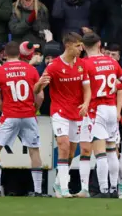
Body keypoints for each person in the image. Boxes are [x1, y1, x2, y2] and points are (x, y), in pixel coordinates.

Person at [0, 42, 45, 197]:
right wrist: (32, 109)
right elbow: (40, 95)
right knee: (34, 151)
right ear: (20, 54)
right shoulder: (31, 69)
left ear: (4, 54)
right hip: (29, 115)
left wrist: (5, 113)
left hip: (10, 115)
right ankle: (38, 191)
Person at [33, 32, 90, 198]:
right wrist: (39, 85)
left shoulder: (82, 65)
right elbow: (36, 90)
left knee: (72, 152)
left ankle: (58, 183)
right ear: (68, 46)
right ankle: (64, 189)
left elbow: (87, 88)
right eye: (78, 45)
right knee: (63, 146)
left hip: (77, 112)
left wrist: (86, 103)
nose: (81, 48)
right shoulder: (54, 66)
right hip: (59, 111)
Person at [81, 32, 122, 198]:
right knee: (112, 150)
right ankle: (114, 188)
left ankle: (103, 189)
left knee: (100, 152)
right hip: (112, 108)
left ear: (83, 47)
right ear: (99, 44)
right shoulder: (111, 61)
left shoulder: (84, 63)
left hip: (97, 109)